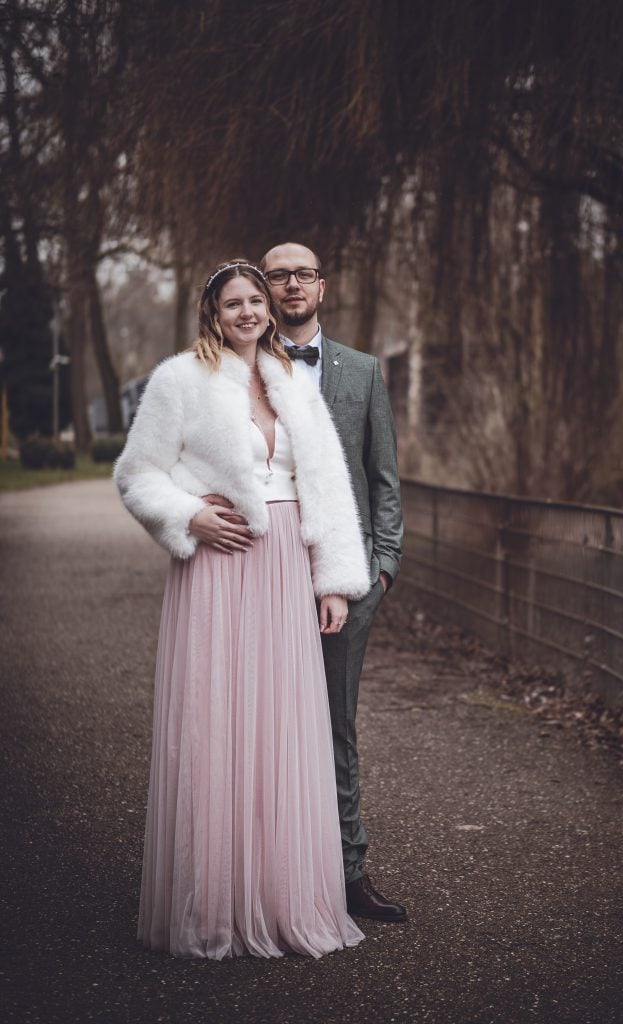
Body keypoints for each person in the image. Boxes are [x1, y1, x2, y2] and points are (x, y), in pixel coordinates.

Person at [114, 260, 369, 959]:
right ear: (212, 312)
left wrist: (334, 580)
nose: (251, 311)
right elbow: (136, 474)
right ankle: (216, 903)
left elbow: (327, 485)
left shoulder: (292, 382)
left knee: (282, 722)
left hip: (288, 565)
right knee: (218, 721)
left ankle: (284, 896)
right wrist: (188, 516)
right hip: (220, 569)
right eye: (236, 302)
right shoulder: (180, 381)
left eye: (258, 299)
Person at [260, 243, 405, 922]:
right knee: (266, 722)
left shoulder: (365, 372)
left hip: (346, 575)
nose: (291, 284)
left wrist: (382, 566)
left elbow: (385, 478)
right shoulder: (238, 366)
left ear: (323, 285)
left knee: (336, 725)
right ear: (264, 289)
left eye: (302, 274)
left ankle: (349, 872)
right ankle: (272, 871)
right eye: (278, 275)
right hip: (262, 573)